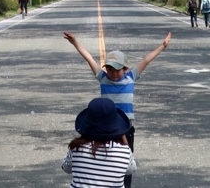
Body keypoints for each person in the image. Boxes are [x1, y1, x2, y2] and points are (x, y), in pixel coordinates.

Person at [64, 31, 171, 188]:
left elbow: (146, 60)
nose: (113, 73)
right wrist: (75, 43)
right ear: (106, 69)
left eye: (117, 70)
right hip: (103, 125)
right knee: (100, 155)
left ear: (125, 69)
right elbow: (89, 58)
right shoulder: (103, 78)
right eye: (110, 69)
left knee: (125, 162)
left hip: (125, 128)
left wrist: (162, 46)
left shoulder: (131, 77)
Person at [62, 98, 135, 188]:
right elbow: (131, 169)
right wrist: (124, 139)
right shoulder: (124, 151)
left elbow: (66, 168)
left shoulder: (77, 148)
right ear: (116, 126)